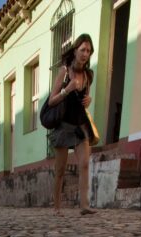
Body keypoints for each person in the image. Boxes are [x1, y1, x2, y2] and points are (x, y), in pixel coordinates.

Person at [49, 33, 97, 216]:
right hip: (63, 126)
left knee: (85, 163)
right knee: (60, 170)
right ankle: (56, 207)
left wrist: (89, 100)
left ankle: (84, 206)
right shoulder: (64, 71)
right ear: (75, 50)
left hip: (79, 126)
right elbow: (52, 100)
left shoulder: (88, 75)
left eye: (89, 51)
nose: (86, 54)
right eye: (83, 49)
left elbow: (85, 98)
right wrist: (66, 90)